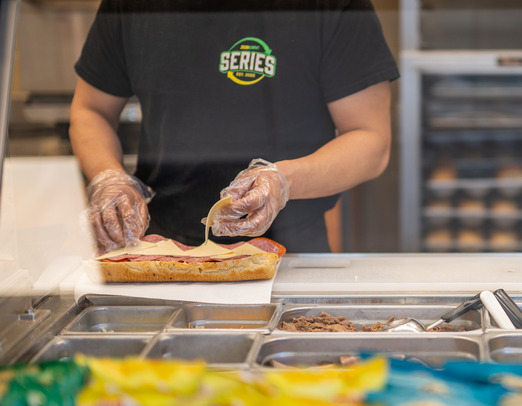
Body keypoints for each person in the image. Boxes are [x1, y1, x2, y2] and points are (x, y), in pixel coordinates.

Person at [70, 0, 399, 253]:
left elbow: (371, 140)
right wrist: (109, 178)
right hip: (159, 250)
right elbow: (91, 110)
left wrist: (283, 182)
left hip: (290, 251)